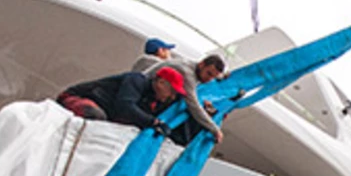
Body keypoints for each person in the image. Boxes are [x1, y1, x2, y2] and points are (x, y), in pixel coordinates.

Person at [56, 67, 186, 142]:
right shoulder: (136, 80)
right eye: (172, 91)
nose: (171, 97)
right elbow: (125, 107)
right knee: (95, 115)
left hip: (104, 112)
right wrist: (154, 122)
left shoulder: (150, 102)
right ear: (161, 83)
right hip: (78, 99)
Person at [140, 54, 226, 145]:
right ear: (201, 64)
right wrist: (214, 129)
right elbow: (193, 106)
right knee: (187, 109)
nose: (209, 79)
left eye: (213, 77)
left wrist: (225, 75)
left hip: (150, 90)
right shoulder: (187, 74)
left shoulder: (192, 64)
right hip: (145, 95)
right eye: (209, 74)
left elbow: (217, 76)